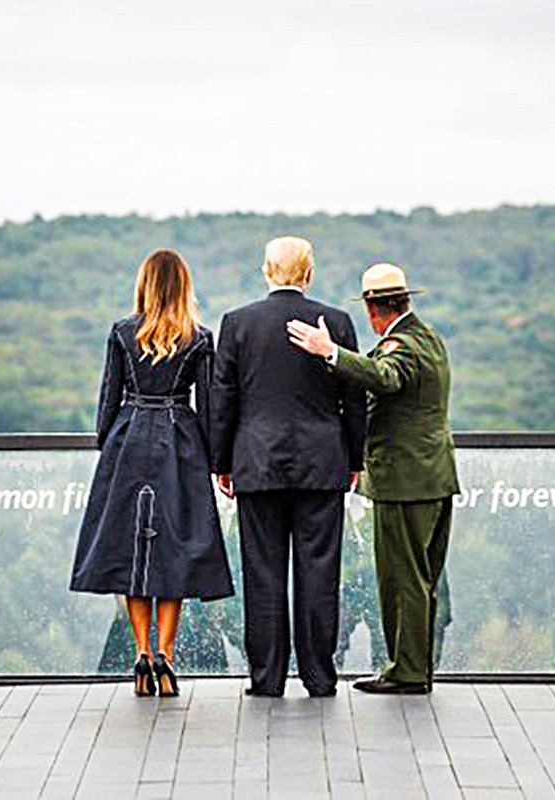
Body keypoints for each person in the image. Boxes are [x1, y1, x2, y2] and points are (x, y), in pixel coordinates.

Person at [287, 262, 459, 694]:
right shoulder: (428, 338)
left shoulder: (400, 345)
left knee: (403, 579)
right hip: (434, 476)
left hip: (405, 482)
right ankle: (416, 667)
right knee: (423, 578)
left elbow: (385, 378)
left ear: (371, 308)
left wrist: (330, 353)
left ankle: (408, 671)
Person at [70, 248, 233, 697]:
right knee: (174, 548)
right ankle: (165, 655)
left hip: (129, 439)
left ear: (144, 284)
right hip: (180, 441)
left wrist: (109, 444)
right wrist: (218, 460)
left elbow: (108, 399)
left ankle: (140, 654)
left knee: (131, 551)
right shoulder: (198, 337)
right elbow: (212, 407)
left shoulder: (122, 332)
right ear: (183, 286)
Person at [211, 236, 366, 698]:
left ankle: (267, 678)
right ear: (309, 273)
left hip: (256, 463)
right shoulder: (336, 321)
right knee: (320, 573)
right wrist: (354, 457)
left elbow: (223, 400)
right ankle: (320, 676)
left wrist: (221, 461)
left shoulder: (237, 324)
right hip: (323, 463)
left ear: (265, 271)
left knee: (263, 574)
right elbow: (354, 397)